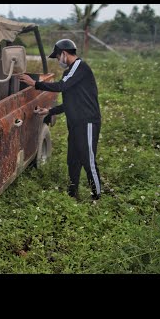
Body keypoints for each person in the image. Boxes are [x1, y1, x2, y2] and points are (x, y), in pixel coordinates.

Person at [18, 39, 102, 201]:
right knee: (73, 160)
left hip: (87, 122)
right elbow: (70, 103)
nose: (58, 61)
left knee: (88, 159)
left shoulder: (79, 66)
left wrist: (35, 83)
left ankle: (97, 197)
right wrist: (50, 110)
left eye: (57, 57)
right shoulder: (69, 72)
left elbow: (61, 87)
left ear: (64, 53)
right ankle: (72, 194)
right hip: (76, 123)